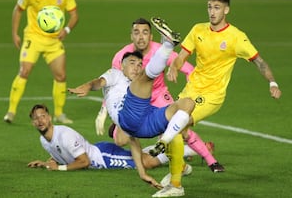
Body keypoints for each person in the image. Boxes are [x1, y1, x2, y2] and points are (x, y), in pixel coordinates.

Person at [150, 0, 282, 196]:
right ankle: (181, 168)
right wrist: (174, 68)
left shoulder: (236, 37)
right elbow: (182, 56)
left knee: (175, 127)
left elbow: (259, 61)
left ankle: (176, 185)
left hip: (212, 95)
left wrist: (272, 82)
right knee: (169, 130)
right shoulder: (198, 29)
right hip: (191, 89)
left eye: (217, 7)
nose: (212, 11)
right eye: (210, 7)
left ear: (226, 10)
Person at [68, 27, 194, 196]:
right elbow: (99, 82)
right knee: (147, 79)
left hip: (143, 125)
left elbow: (133, 142)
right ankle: (167, 45)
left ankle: (164, 141)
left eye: (140, 64)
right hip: (127, 116)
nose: (136, 67)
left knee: (187, 104)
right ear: (122, 66)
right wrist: (87, 87)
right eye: (132, 63)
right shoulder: (116, 75)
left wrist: (142, 173)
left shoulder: (137, 88)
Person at [95, 17, 224, 173]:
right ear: (131, 36)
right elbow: (112, 84)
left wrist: (181, 78)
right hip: (133, 100)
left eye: (145, 33)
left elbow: (190, 70)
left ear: (151, 36)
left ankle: (210, 160)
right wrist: (103, 112)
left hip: (158, 96)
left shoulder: (159, 51)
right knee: (120, 140)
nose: (140, 37)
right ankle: (182, 155)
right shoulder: (121, 56)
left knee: (180, 129)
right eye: (136, 32)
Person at [27, 104, 194, 173]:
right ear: (33, 123)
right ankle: (176, 147)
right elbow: (60, 153)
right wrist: (46, 162)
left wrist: (59, 169)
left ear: (49, 118)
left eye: (42, 116)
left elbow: (84, 162)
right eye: (36, 118)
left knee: (146, 163)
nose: (40, 120)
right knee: (138, 156)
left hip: (103, 157)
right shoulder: (44, 140)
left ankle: (189, 150)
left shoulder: (64, 135)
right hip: (100, 153)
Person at [3, 0, 78, 124]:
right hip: (33, 37)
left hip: (54, 40)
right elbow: (18, 9)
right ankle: (11, 111)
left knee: (61, 76)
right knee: (24, 71)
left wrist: (66, 30)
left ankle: (59, 114)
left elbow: (74, 15)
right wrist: (14, 33)